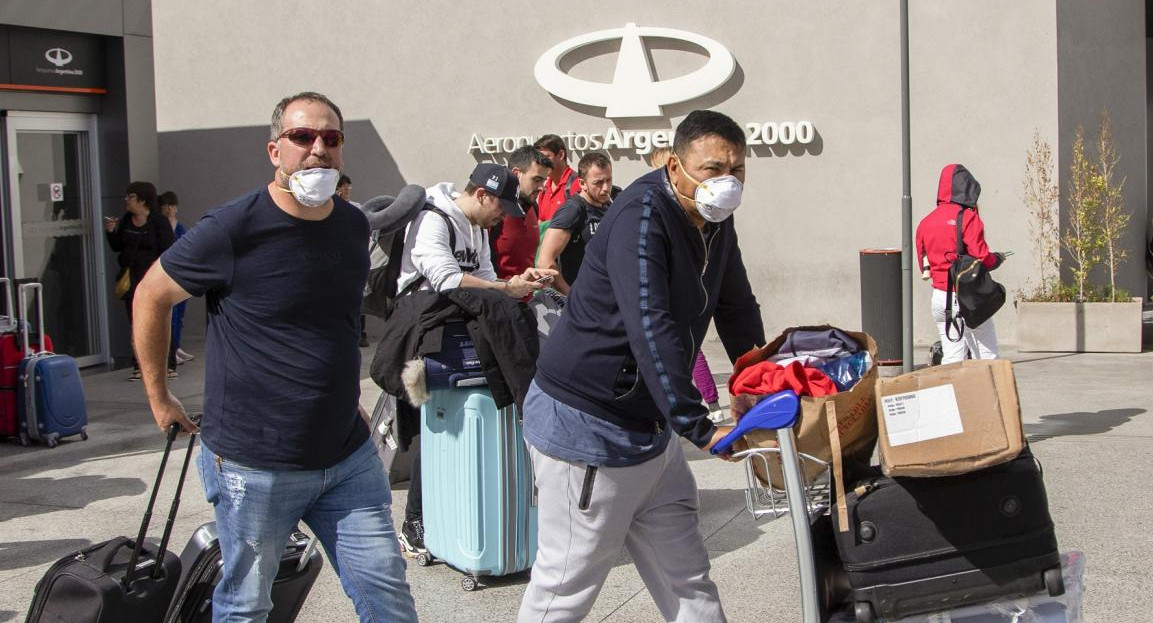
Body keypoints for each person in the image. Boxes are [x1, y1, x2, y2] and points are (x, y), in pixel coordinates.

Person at [131, 92, 418, 622]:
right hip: (253, 464)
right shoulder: (232, 228)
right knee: (245, 606)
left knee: (389, 599)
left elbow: (329, 324)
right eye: (302, 137)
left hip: (347, 458)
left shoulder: (352, 226)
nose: (318, 149)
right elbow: (151, 295)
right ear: (274, 150)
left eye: (330, 138)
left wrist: (343, 398)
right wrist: (159, 395)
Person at [517, 110, 765, 623]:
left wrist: (757, 383)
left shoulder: (716, 218)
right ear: (675, 165)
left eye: (737, 171)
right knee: (564, 590)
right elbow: (650, 325)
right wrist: (699, 426)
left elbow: (736, 304)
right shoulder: (640, 215)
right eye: (713, 168)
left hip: (650, 433)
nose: (727, 183)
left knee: (689, 580)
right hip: (586, 427)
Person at [394, 161, 558, 556]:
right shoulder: (433, 219)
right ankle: (414, 520)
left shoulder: (478, 229)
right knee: (432, 430)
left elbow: (485, 279)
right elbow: (445, 278)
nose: (503, 216)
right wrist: (504, 287)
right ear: (481, 195)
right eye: (500, 207)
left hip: (462, 328)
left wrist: (515, 286)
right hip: (425, 330)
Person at [649, 147, 725, 422]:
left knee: (686, 347)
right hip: (677, 293)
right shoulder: (656, 208)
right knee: (686, 347)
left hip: (679, 294)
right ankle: (708, 404)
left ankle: (707, 405)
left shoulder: (690, 213)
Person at [916, 163, 1006, 364]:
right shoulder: (967, 217)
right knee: (987, 357)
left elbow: (924, 267)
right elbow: (982, 257)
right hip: (967, 297)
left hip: (940, 298)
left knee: (952, 358)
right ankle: (986, 395)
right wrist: (997, 259)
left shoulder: (925, 222)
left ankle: (953, 395)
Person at [104, 181, 176, 380]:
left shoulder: (158, 222)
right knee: (136, 324)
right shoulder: (127, 220)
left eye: (131, 196)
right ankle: (139, 366)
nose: (126, 200)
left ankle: (167, 365)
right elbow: (117, 246)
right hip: (132, 281)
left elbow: (168, 251)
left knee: (159, 323)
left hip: (154, 281)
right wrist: (110, 232)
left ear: (142, 200)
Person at [536, 151, 612, 295]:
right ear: (582, 183)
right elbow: (545, 261)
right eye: (598, 183)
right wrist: (571, 296)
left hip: (605, 298)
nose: (605, 188)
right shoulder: (573, 210)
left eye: (608, 180)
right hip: (583, 301)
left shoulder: (609, 205)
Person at [490, 146, 553, 279]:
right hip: (498, 296)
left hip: (528, 297)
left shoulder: (533, 207)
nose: (542, 187)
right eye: (537, 180)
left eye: (544, 180)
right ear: (516, 173)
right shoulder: (493, 210)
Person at [158, 191, 193, 365]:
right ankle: (171, 351)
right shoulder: (163, 226)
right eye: (166, 206)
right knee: (170, 316)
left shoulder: (179, 227)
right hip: (169, 278)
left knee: (178, 315)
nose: (169, 209)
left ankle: (177, 346)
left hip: (182, 277)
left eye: (171, 206)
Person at [534, 134, 582, 230]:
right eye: (539, 159)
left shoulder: (577, 184)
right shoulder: (544, 187)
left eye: (546, 157)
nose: (541, 163)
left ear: (561, 155)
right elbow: (540, 222)